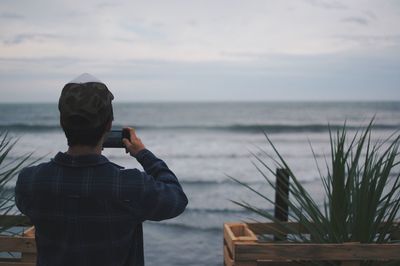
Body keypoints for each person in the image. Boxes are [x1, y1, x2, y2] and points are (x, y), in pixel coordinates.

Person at [15, 73, 188, 266]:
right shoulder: (130, 186)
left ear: (62, 123)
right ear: (108, 125)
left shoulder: (30, 182)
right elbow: (177, 200)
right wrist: (143, 154)